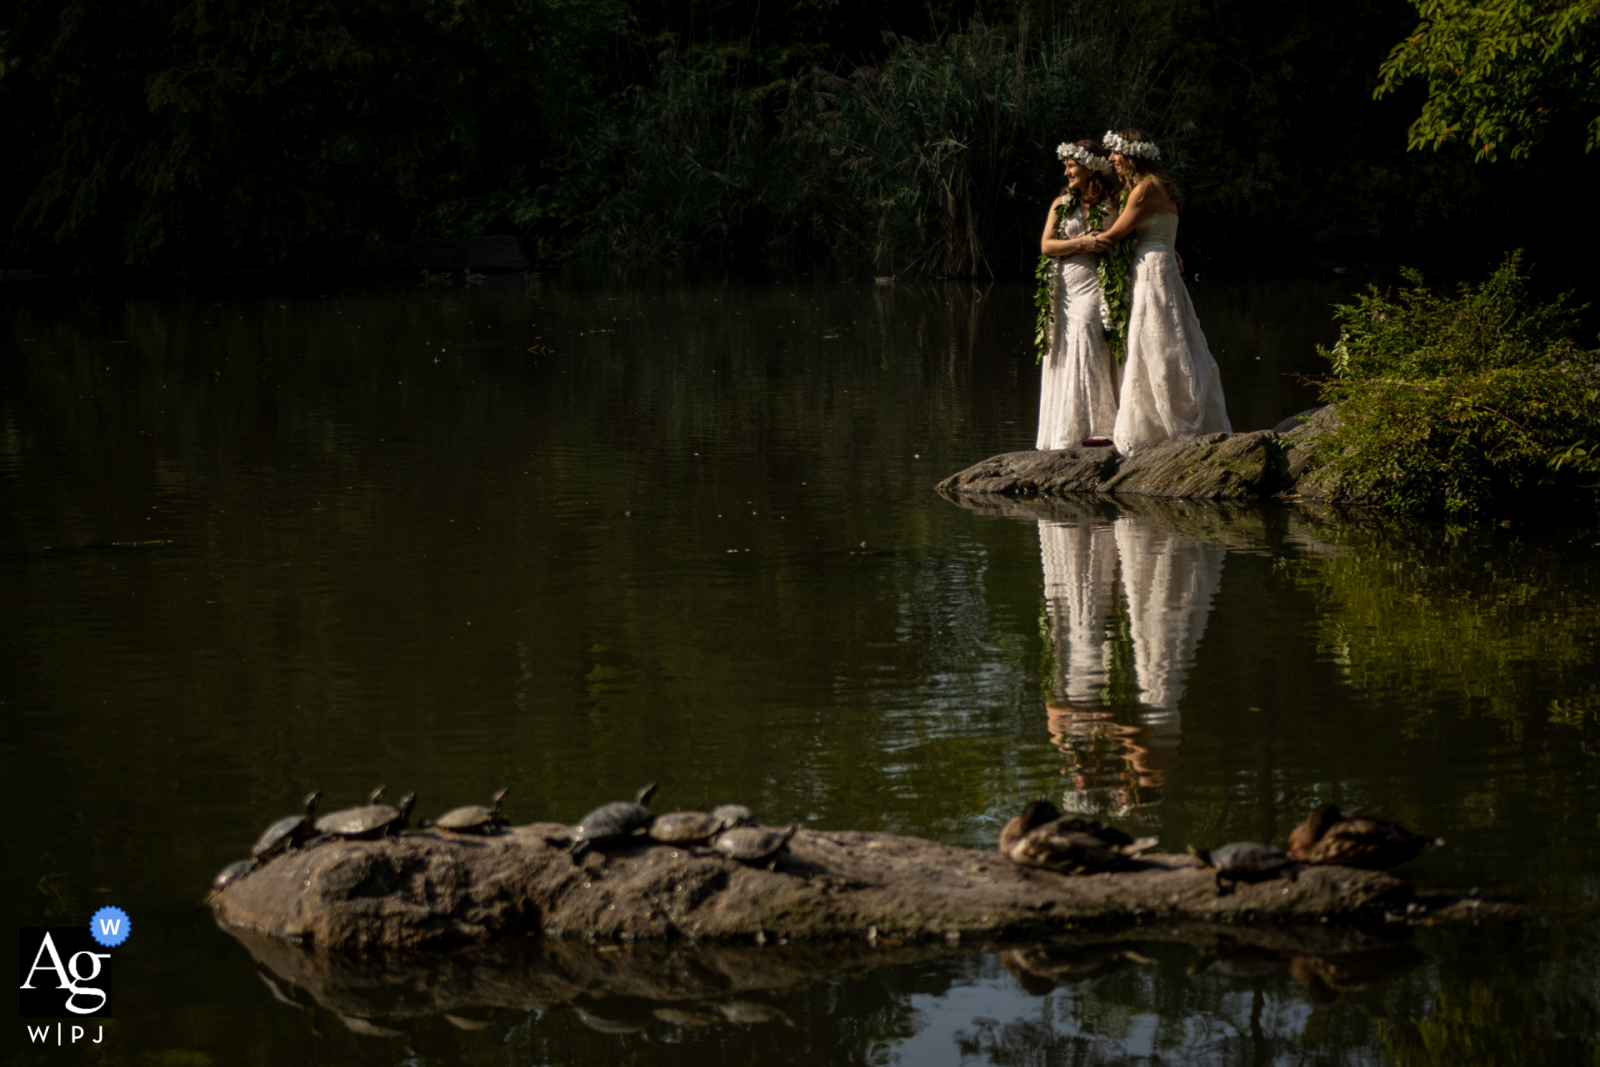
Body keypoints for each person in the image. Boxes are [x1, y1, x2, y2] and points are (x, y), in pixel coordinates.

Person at [1091, 129, 1230, 454]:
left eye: (1115, 154)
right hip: (1163, 263)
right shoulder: (1161, 187)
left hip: (1152, 271)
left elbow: (1115, 234)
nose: (1111, 160)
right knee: (1171, 339)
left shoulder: (1142, 191)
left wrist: (1084, 241)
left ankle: (1162, 426)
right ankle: (1172, 413)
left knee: (1154, 342)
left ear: (1131, 155)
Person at [1035, 139, 1121, 450]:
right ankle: (1067, 431)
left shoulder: (1113, 203)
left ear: (1091, 167)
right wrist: (1082, 244)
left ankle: (1098, 427)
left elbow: (1134, 233)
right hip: (1065, 285)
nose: (1068, 171)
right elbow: (1047, 246)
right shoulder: (1062, 204)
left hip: (1097, 283)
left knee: (1088, 334)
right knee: (1064, 348)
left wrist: (1171, 251)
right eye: (1067, 166)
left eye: (1072, 166)